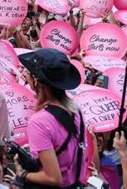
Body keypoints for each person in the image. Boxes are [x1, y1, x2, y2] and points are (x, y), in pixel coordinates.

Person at [13, 48, 87, 188]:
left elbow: (53, 178)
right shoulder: (76, 111)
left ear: (37, 81)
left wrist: (22, 174)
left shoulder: (39, 121)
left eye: (28, 74)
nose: (26, 77)